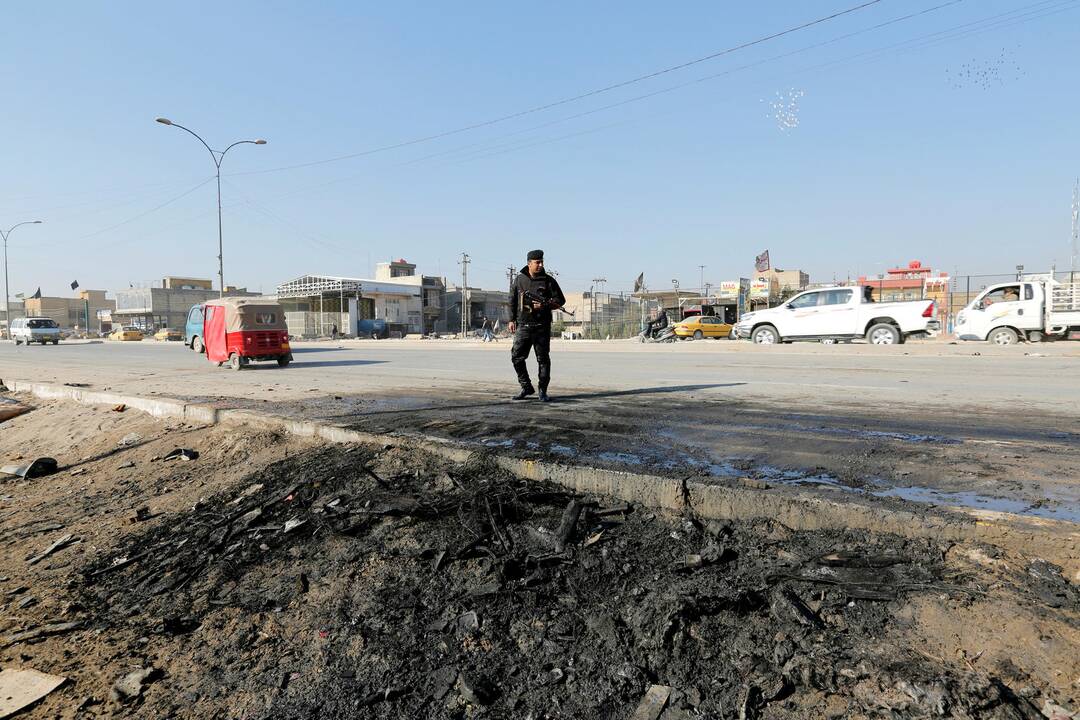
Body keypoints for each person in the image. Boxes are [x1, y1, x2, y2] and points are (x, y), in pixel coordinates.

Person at [509, 249, 566, 402]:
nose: (540, 265)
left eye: (542, 262)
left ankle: (543, 390)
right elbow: (512, 300)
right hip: (523, 325)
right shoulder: (519, 280)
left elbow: (560, 300)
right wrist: (511, 319)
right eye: (537, 262)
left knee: (543, 359)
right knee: (516, 357)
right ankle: (526, 386)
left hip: (541, 326)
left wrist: (544, 306)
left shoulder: (548, 281)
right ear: (529, 263)